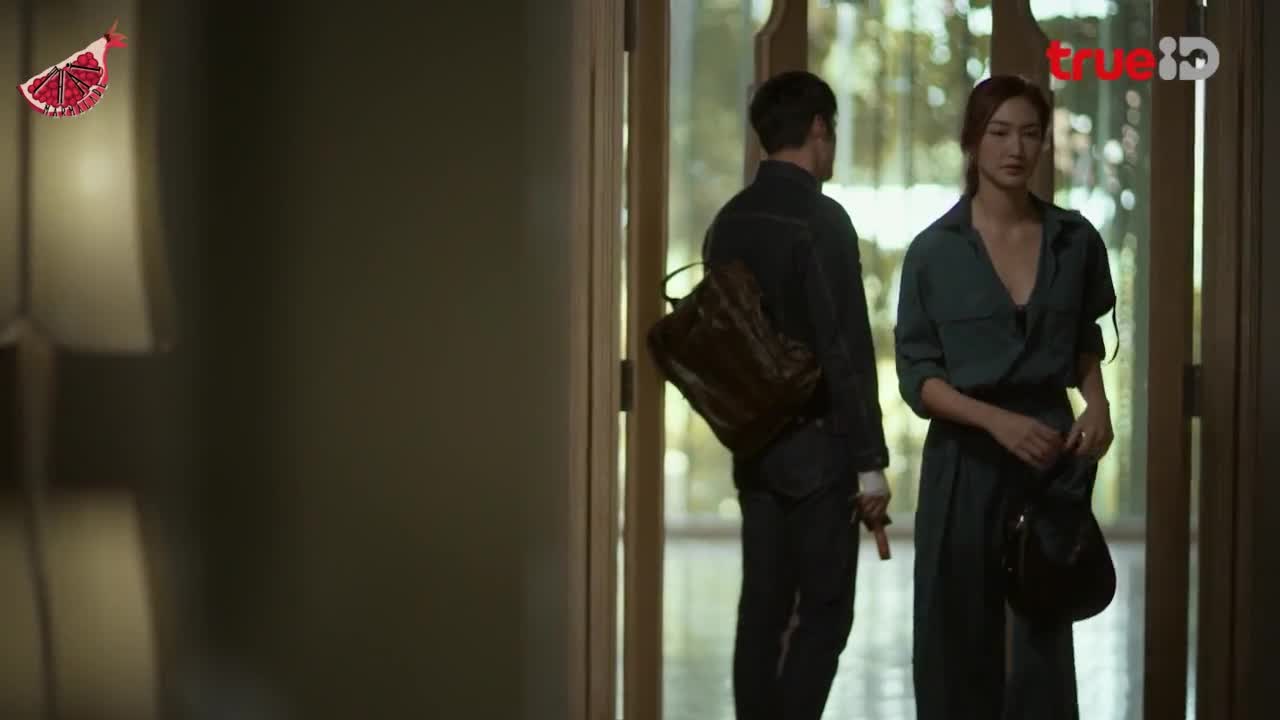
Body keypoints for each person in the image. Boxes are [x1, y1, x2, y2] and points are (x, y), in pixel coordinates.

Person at [893, 74, 1118, 720]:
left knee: (1042, 635)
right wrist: (995, 422)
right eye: (998, 132)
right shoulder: (933, 252)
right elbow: (918, 376)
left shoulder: (1075, 240)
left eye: (1029, 133)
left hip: (1048, 461)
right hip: (964, 461)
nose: (1015, 148)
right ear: (972, 141)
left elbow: (1084, 341)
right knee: (956, 636)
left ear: (1045, 143)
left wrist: (1098, 404)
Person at [701, 70, 891, 720]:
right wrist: (870, 463)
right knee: (826, 611)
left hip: (756, 451)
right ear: (818, 129)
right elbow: (845, 349)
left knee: (761, 611)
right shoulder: (821, 220)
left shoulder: (727, 222)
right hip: (821, 455)